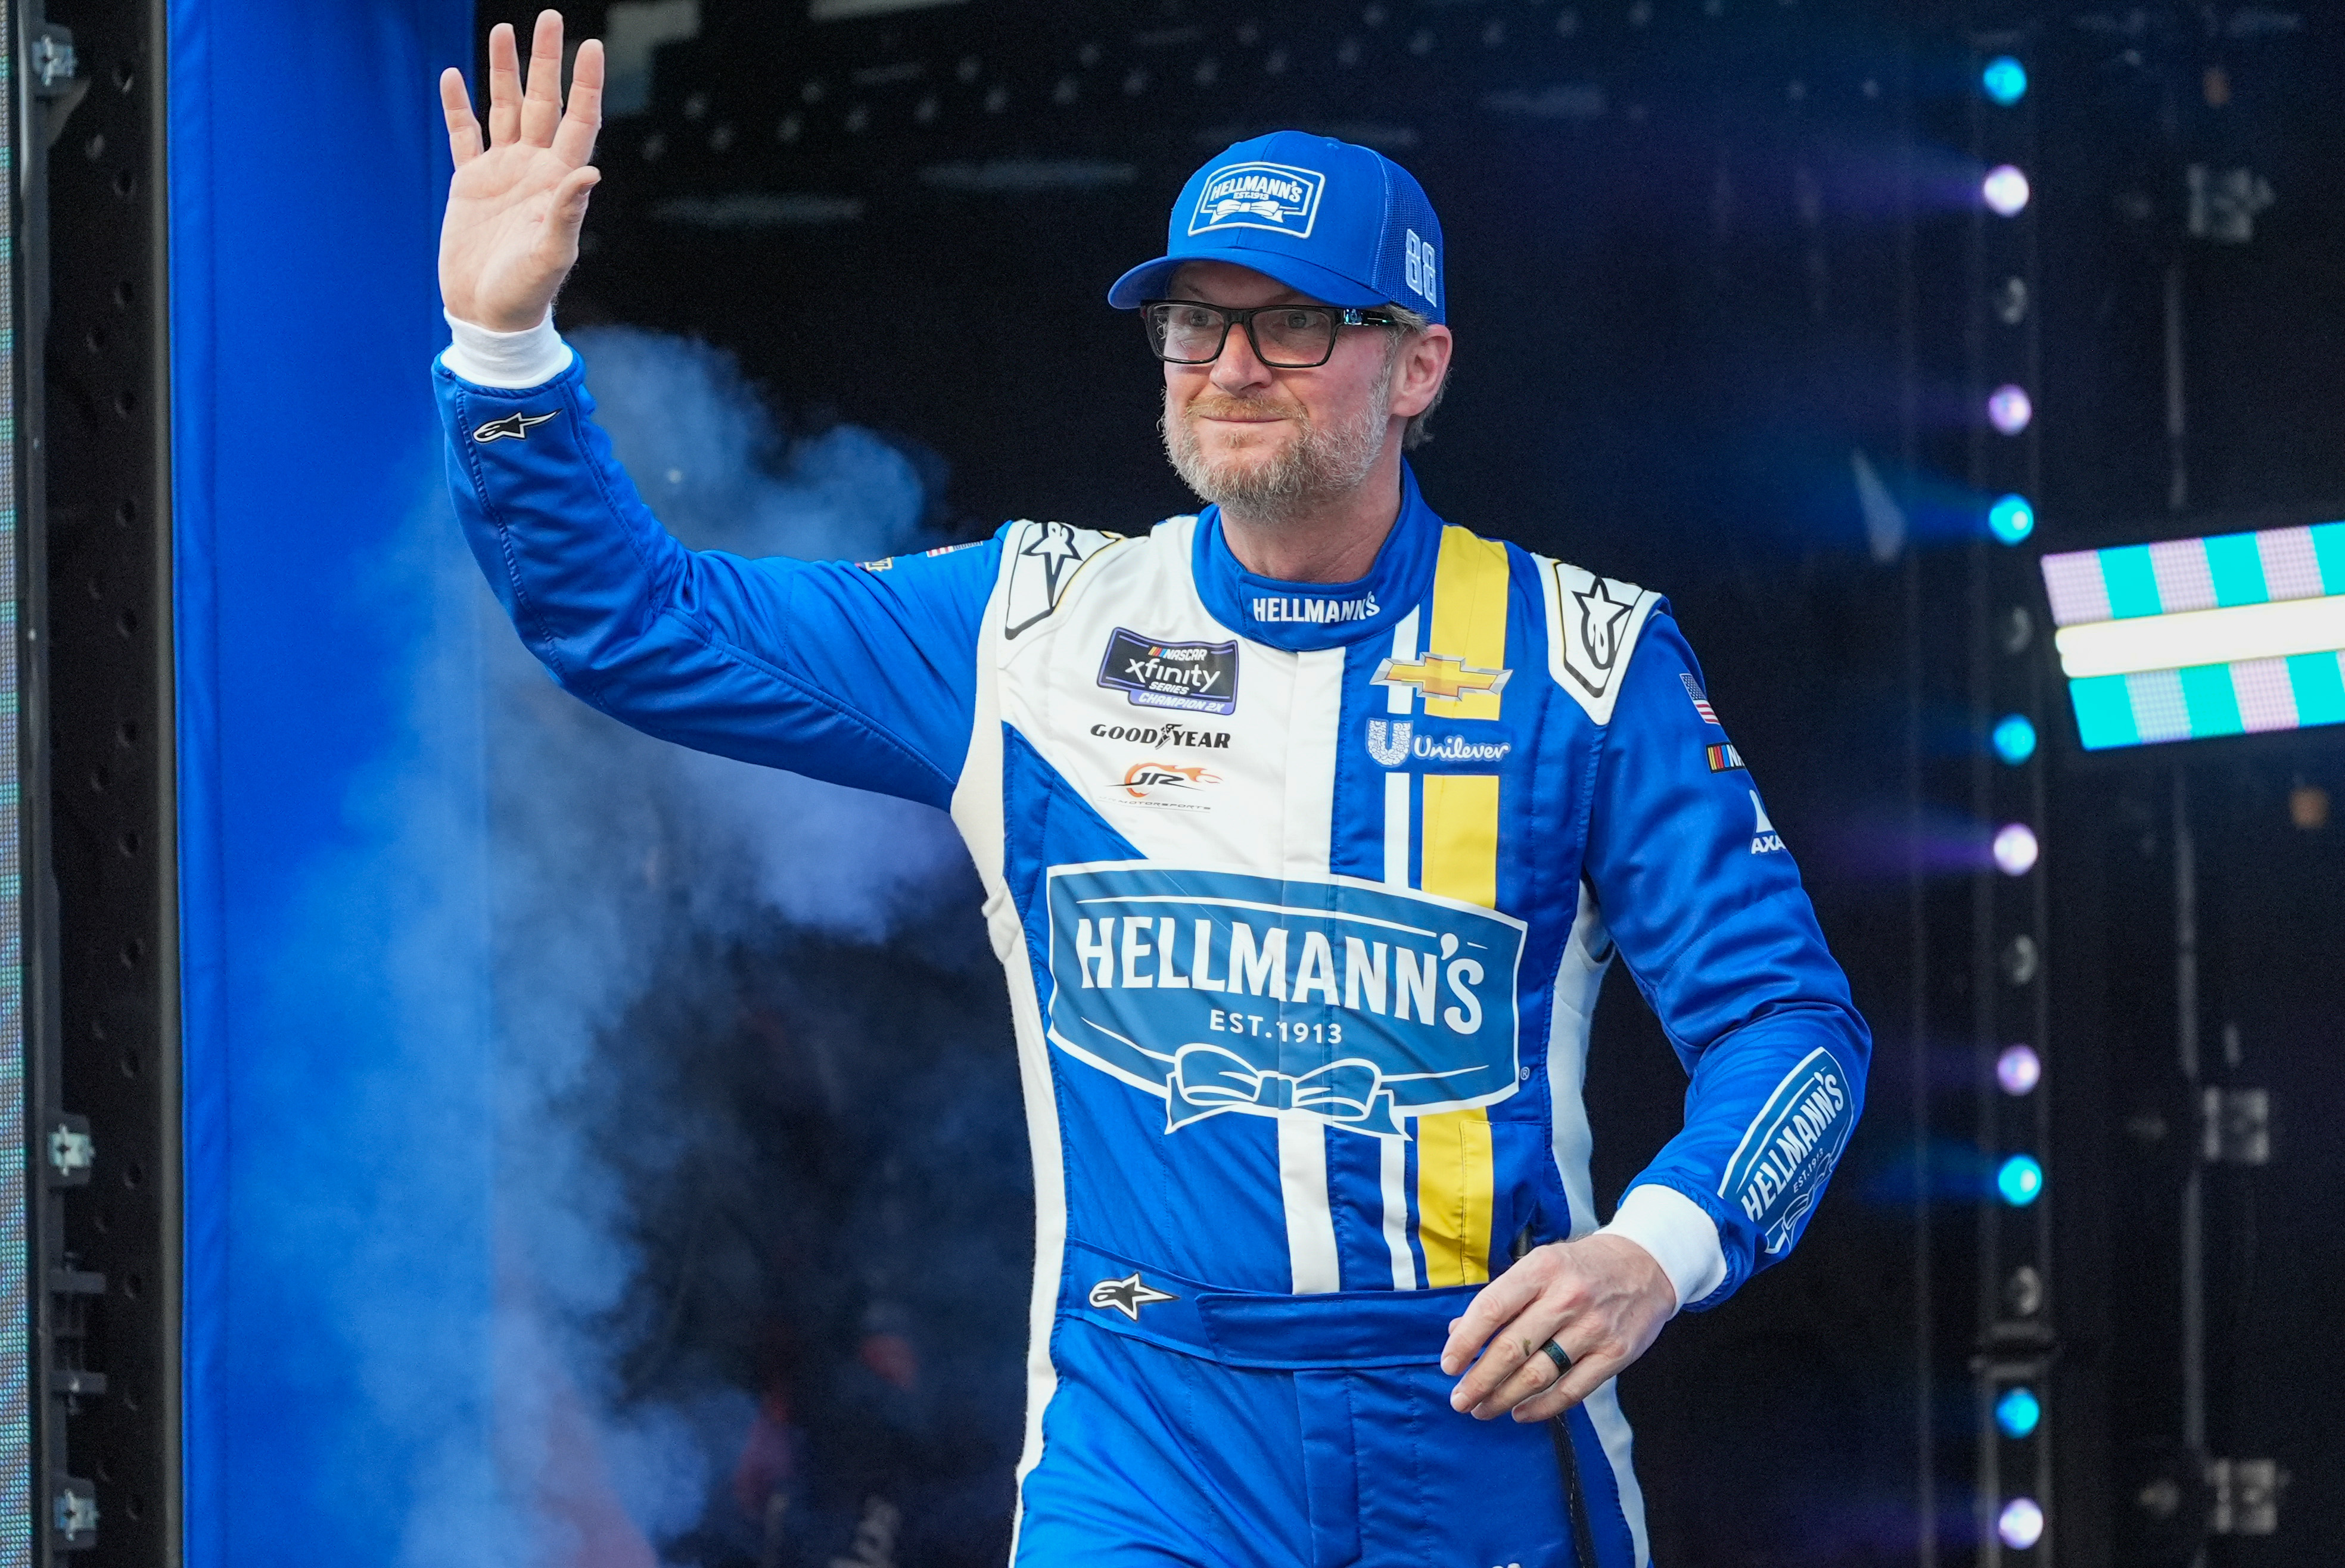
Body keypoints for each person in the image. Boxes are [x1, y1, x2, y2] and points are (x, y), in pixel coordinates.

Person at [433, 14, 1871, 1566]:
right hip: (1153, 1444)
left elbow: (1790, 1026)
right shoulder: (1029, 628)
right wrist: (505, 349)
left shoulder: (1592, 661)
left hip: (1472, 1427)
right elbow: (636, 625)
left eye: (1293, 326)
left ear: (1420, 363)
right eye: (1195, 323)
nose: (1232, 367)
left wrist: (1658, 1253)